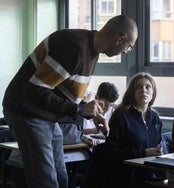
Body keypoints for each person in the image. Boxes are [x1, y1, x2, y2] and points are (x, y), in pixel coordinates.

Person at [2, 15, 138, 188]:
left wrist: (91, 113)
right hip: (26, 111)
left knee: (60, 178)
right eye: (129, 47)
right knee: (45, 180)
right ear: (120, 39)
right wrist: (79, 110)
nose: (126, 52)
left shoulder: (92, 51)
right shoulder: (74, 47)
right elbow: (34, 90)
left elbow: (64, 92)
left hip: (46, 115)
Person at [86, 72, 164, 188]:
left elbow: (156, 147)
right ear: (132, 92)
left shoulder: (155, 118)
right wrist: (144, 153)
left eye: (148, 87)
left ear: (153, 93)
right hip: (126, 176)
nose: (143, 90)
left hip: (149, 174)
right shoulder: (122, 116)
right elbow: (112, 153)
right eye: (139, 87)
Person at [83, 82, 119, 146]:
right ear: (96, 97)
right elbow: (78, 132)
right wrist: (96, 130)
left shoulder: (113, 113)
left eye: (111, 105)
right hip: (86, 145)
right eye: (105, 104)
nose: (107, 109)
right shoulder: (85, 110)